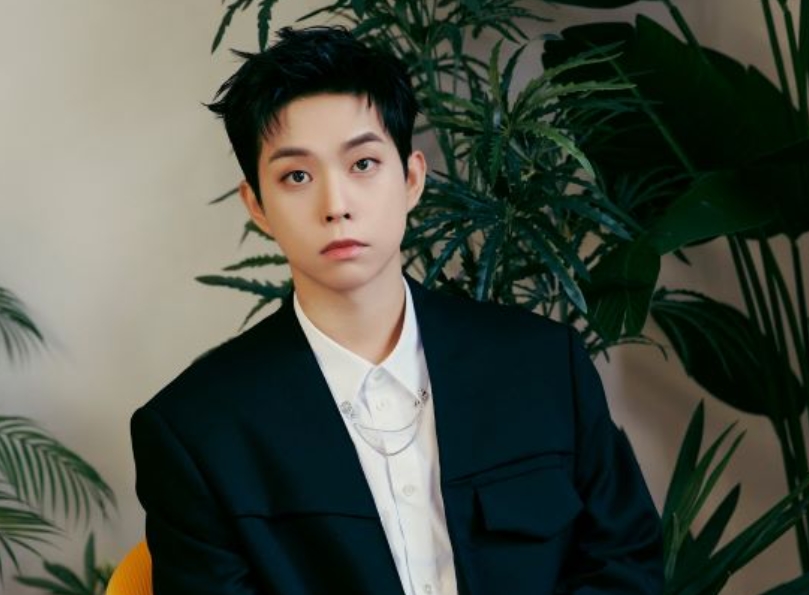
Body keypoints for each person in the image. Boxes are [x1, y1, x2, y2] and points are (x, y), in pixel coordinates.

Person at [131, 25, 663, 595]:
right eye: (297, 176)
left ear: (411, 179)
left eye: (362, 164)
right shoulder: (196, 431)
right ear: (257, 206)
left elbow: (624, 562)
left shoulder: (544, 366)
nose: (336, 205)